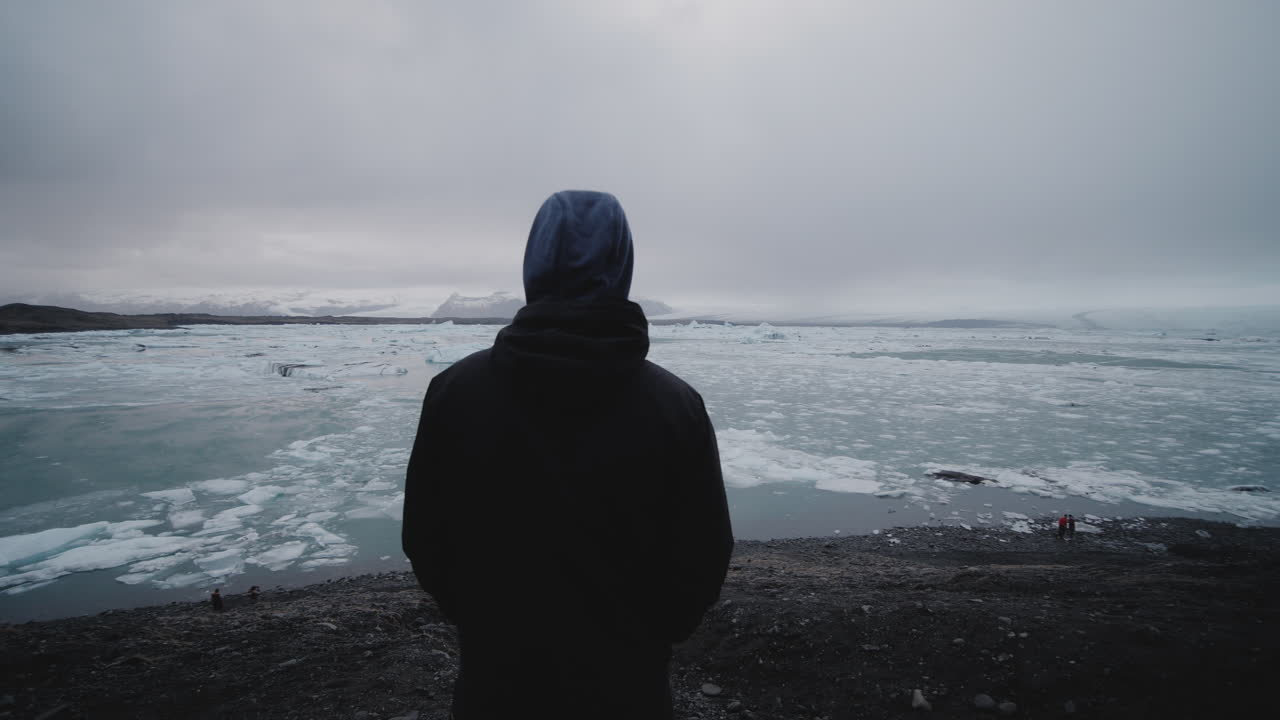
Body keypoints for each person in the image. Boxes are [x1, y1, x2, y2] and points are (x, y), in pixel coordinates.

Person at [402, 190, 733, 720]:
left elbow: (426, 536)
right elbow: (703, 552)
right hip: (628, 687)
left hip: (496, 682)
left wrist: (480, 620)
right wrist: (654, 633)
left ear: (534, 263)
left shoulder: (455, 392)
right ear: (623, 263)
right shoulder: (674, 406)